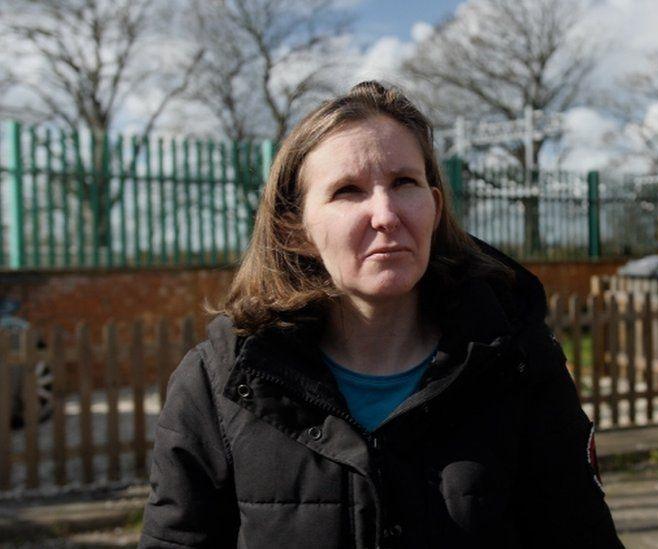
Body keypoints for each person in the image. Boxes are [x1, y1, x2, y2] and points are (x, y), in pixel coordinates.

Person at [139, 81, 623, 549]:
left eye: (404, 182)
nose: (386, 214)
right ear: (296, 230)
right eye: (348, 190)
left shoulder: (518, 362)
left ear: (434, 208)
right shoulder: (219, 382)